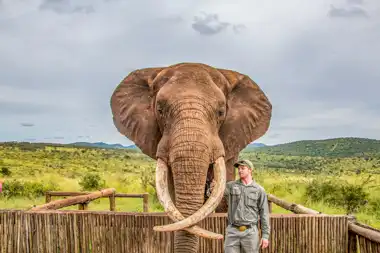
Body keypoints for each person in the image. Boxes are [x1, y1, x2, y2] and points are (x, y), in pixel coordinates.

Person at [223, 159, 270, 253]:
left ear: (250, 170)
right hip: (232, 231)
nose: (239, 170)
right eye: (238, 168)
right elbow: (216, 192)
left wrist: (265, 235)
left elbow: (264, 213)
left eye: (242, 168)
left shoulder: (259, 190)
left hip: (250, 232)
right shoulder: (230, 186)